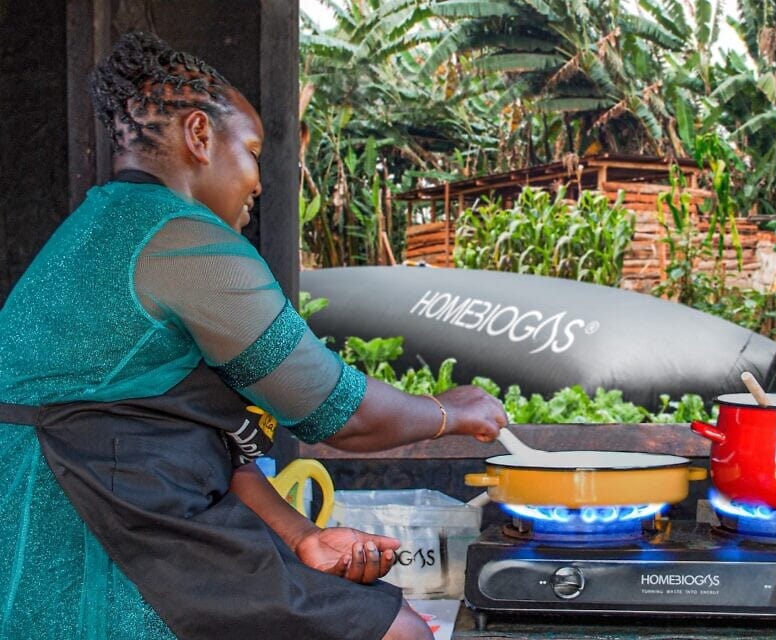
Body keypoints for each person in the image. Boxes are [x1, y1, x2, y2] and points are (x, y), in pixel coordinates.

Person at [0, 31, 506, 640]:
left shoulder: (92, 227)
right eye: (254, 151)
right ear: (198, 136)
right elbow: (339, 413)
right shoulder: (185, 239)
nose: (260, 182)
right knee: (401, 633)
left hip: (76, 506)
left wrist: (304, 536)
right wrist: (448, 411)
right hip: (102, 530)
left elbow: (188, 442)